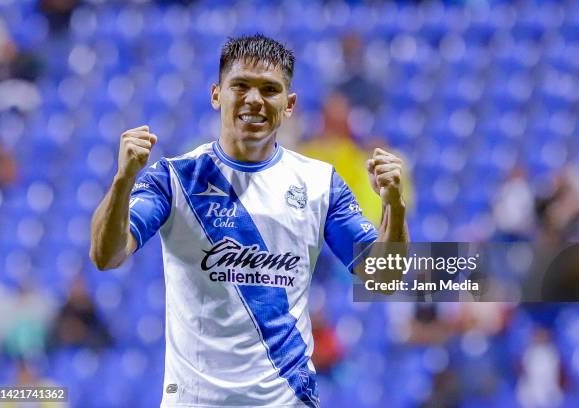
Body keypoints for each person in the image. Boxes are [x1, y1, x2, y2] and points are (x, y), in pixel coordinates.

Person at [90, 34, 409, 408]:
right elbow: (106, 255)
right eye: (240, 85)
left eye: (269, 89)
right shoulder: (174, 178)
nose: (254, 100)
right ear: (216, 95)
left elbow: (385, 278)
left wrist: (394, 206)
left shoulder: (320, 183)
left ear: (289, 104)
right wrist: (122, 181)